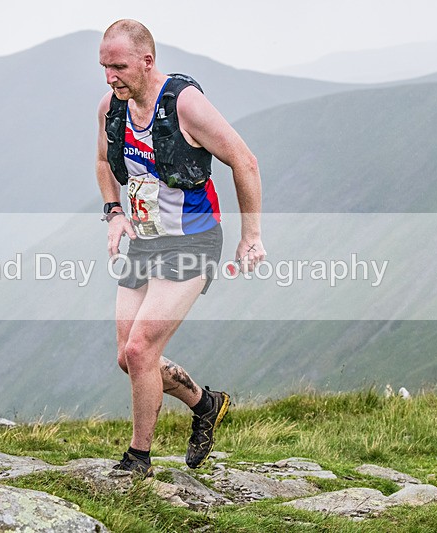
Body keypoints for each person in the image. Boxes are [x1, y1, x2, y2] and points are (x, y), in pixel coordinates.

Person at [96, 19, 266, 476]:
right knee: (127, 357)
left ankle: (138, 459)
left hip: (193, 240)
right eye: (104, 67)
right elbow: (103, 160)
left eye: (119, 67)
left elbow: (245, 161)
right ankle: (206, 404)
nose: (110, 77)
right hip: (145, 239)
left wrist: (251, 236)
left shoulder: (185, 104)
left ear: (147, 61)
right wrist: (114, 213)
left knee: (140, 351)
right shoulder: (112, 109)